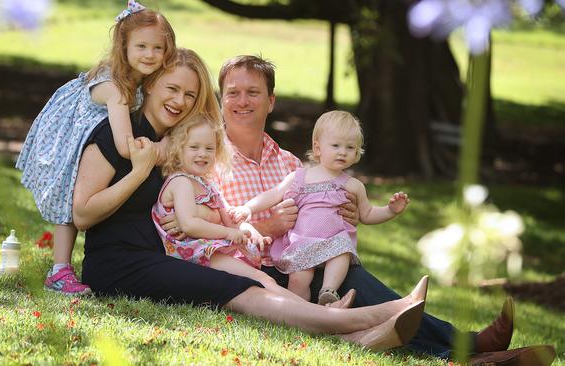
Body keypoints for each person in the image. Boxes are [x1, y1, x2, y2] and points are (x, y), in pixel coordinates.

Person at [73, 47, 429, 352]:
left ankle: (373, 335)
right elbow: (82, 216)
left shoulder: (175, 144)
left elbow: (189, 201)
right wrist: (140, 173)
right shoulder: (116, 135)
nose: (179, 101)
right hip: (124, 262)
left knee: (335, 274)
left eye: (190, 95)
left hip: (171, 254)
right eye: (172, 89)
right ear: (151, 87)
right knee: (244, 286)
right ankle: (371, 317)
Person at [205, 54, 552, 365]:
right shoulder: (207, 159)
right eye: (233, 92)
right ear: (222, 99)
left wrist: (351, 214)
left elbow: (326, 211)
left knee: (355, 283)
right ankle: (469, 348)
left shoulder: (291, 163)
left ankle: (469, 350)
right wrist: (268, 227)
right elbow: (201, 236)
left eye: (253, 92)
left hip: (305, 258)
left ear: (271, 101)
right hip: (259, 276)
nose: (242, 101)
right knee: (362, 296)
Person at [16, 1, 176, 295]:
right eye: (141, 46)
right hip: (68, 136)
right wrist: (162, 149)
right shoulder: (116, 89)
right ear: (123, 46)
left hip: (87, 133)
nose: (150, 55)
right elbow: (125, 147)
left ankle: (60, 268)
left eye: (158, 48)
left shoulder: (140, 78)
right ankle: (59, 271)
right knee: (69, 200)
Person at [151, 114, 360, 307]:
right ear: (179, 150)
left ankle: (318, 311)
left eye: (209, 148)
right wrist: (229, 233)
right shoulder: (181, 183)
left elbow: (229, 216)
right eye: (194, 147)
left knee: (263, 280)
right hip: (194, 255)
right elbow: (190, 224)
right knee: (263, 280)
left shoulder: (206, 183)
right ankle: (317, 314)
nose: (202, 154)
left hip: (210, 251)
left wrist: (248, 229)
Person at [231, 110, 410, 305]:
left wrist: (390, 210)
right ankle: (301, 313)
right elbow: (272, 195)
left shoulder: (353, 185)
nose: (342, 151)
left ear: (357, 153)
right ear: (318, 148)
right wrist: (248, 208)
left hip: (333, 242)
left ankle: (329, 291)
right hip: (303, 242)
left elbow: (367, 214)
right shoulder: (299, 177)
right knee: (298, 279)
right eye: (335, 145)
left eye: (350, 147)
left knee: (342, 251)